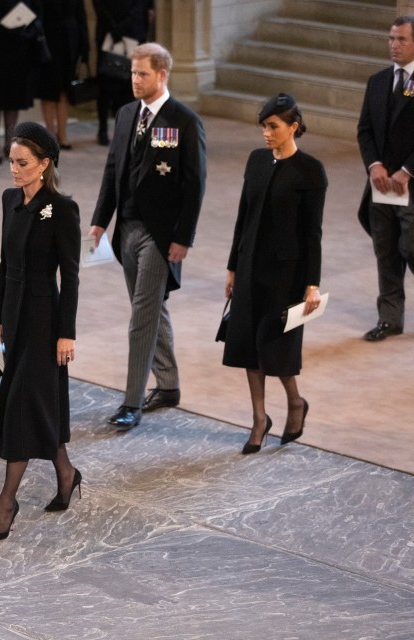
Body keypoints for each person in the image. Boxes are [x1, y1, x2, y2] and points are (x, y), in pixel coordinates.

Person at [89, 42, 206, 430]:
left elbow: (195, 184)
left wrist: (183, 238)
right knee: (153, 307)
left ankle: (132, 402)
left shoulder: (184, 121)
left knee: (141, 316)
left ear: (162, 75)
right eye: (132, 73)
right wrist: (100, 220)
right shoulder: (125, 115)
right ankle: (168, 385)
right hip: (128, 229)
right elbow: (111, 171)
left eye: (142, 74)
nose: (134, 80)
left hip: (161, 235)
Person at [0, 121, 81, 541]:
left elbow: (72, 277)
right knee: (38, 405)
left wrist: (67, 333)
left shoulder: (62, 209)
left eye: (23, 163)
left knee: (23, 408)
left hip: (45, 322)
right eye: (11, 161)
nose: (14, 170)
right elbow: (6, 264)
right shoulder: (9, 201)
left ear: (44, 164)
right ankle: (67, 474)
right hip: (14, 319)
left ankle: (7, 502)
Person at [224, 94, 326, 454]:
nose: (266, 133)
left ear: (293, 127)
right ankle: (259, 419)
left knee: (277, 348)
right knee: (249, 345)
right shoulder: (256, 161)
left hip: (287, 275)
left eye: (273, 127)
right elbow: (243, 216)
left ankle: (295, 402)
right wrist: (232, 267)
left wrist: (312, 284)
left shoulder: (311, 171)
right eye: (264, 127)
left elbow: (312, 233)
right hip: (250, 266)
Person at [356, 16, 414, 342]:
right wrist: (374, 165)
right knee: (386, 249)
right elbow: (365, 130)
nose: (394, 45)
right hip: (381, 186)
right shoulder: (377, 81)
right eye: (391, 38)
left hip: (410, 183)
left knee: (412, 245)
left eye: (402, 39)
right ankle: (390, 318)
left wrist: (406, 171)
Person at [0, 0, 44, 164]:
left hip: (20, 48)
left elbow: (38, 14)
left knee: (14, 97)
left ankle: (10, 143)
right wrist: (3, 28)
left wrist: (29, 30)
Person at [91, 0, 153, 146]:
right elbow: (98, 4)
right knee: (105, 85)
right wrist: (113, 27)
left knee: (130, 86)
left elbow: (140, 5)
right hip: (107, 34)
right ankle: (102, 130)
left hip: (132, 34)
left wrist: (121, 27)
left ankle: (127, 130)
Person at [36, 0, 88, 149]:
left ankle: (63, 134)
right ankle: (50, 134)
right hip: (48, 42)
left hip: (70, 42)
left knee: (65, 90)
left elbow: (81, 16)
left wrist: (85, 49)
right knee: (48, 90)